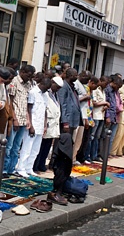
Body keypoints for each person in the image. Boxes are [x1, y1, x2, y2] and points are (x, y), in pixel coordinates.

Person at [50, 68, 80, 205]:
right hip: (65, 122)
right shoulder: (63, 87)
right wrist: (65, 122)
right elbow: (63, 105)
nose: (76, 76)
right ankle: (54, 163)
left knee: (69, 144)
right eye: (75, 75)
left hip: (73, 120)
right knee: (62, 145)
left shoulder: (72, 87)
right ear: (69, 75)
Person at [16, 76, 51, 177]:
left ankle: (29, 168)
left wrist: (45, 125)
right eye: (46, 88)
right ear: (42, 84)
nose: (47, 90)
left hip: (40, 125)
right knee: (27, 148)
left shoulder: (46, 94)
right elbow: (29, 109)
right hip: (33, 124)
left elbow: (45, 110)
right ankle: (21, 168)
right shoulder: (33, 92)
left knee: (35, 150)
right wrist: (30, 124)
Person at [4, 65, 34, 175]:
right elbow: (10, 102)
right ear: (22, 72)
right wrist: (14, 119)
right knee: (9, 146)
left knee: (16, 147)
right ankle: (4, 169)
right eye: (28, 75)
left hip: (23, 119)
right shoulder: (14, 82)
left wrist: (28, 120)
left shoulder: (29, 84)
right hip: (14, 118)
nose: (29, 78)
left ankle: (11, 169)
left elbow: (26, 104)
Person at [34, 76, 61, 173]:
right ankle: (35, 166)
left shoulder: (55, 94)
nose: (57, 89)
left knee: (47, 145)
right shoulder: (45, 93)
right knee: (40, 146)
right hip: (46, 121)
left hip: (52, 123)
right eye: (57, 87)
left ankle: (42, 164)